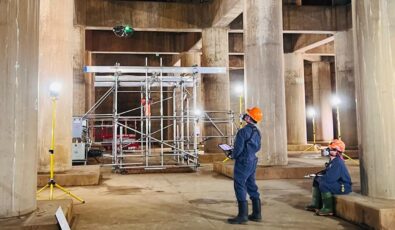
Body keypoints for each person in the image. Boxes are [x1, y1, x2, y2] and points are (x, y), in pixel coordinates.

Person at [227, 107, 263, 224]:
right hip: (253, 159)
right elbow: (258, 147)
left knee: (240, 185)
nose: (245, 115)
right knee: (251, 184)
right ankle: (257, 213)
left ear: (249, 118)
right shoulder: (257, 132)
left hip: (243, 161)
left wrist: (231, 154)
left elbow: (238, 150)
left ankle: (242, 216)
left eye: (247, 114)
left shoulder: (243, 132)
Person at [305, 139, 352, 216]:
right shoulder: (333, 160)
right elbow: (327, 172)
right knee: (316, 180)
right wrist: (317, 175)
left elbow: (330, 178)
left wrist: (321, 178)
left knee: (324, 184)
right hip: (337, 183)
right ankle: (315, 204)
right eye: (329, 148)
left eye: (331, 149)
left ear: (337, 152)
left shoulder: (338, 162)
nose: (328, 150)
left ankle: (328, 208)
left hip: (343, 186)